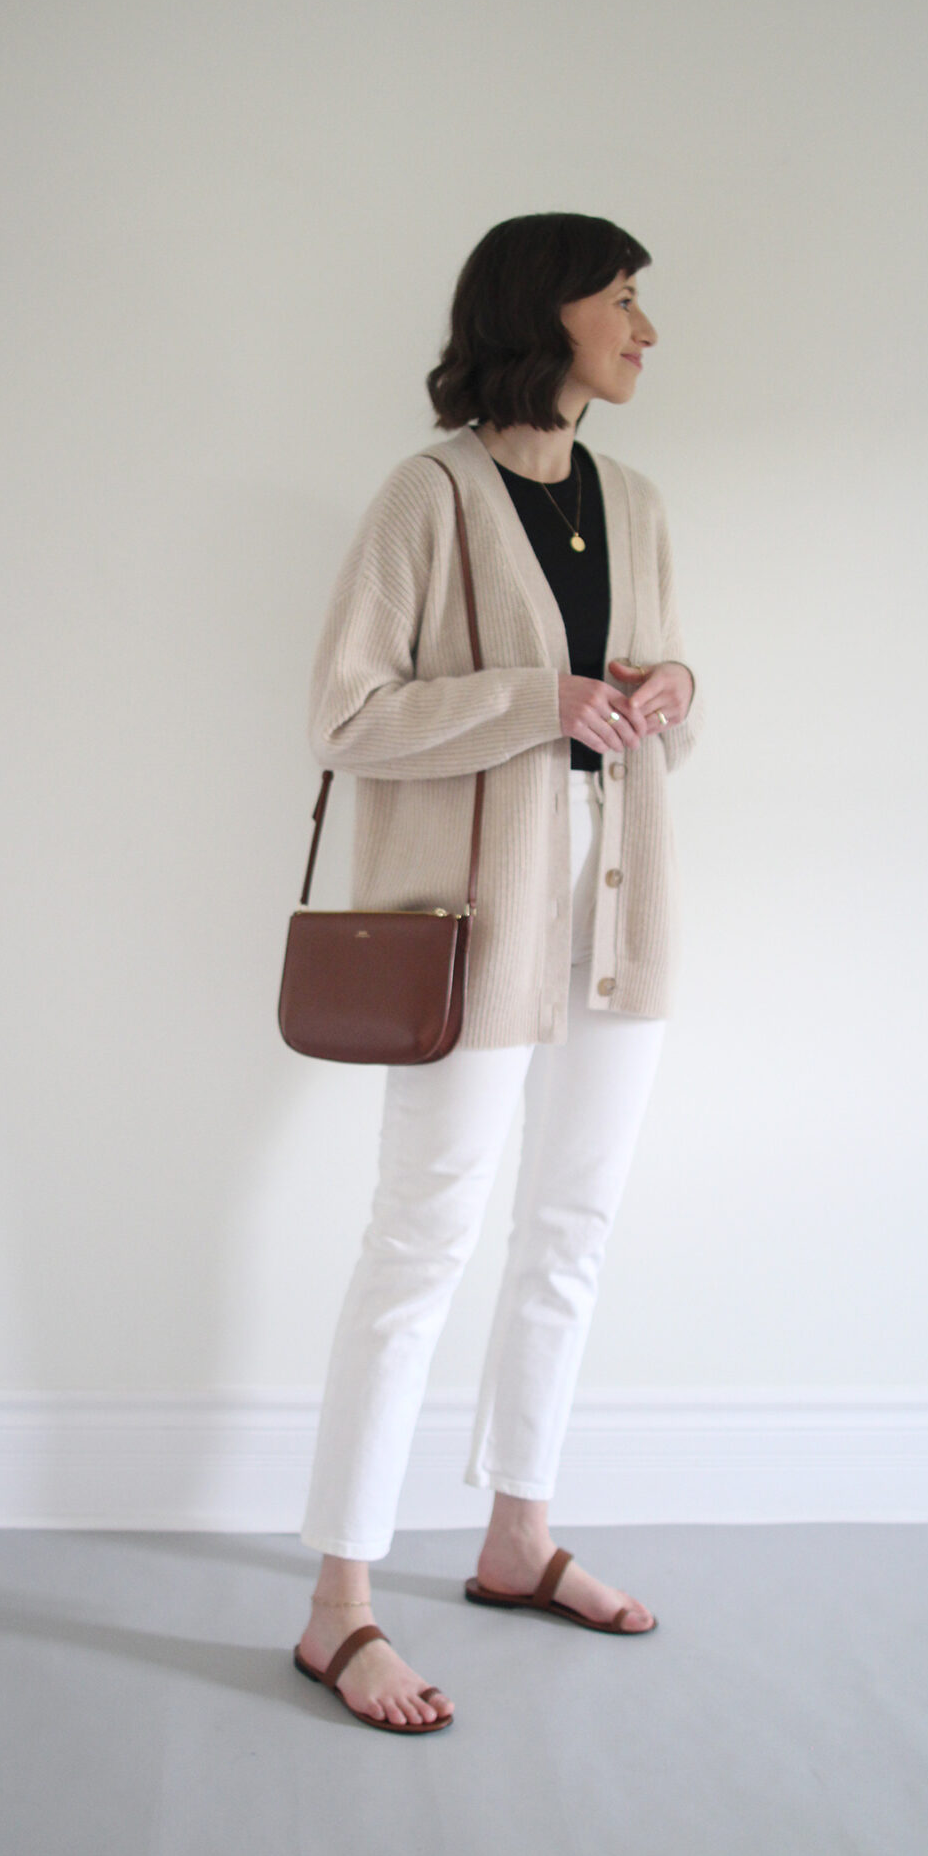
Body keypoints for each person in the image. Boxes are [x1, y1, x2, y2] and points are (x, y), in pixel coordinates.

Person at [290, 213, 705, 1734]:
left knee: (572, 1226)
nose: (645, 334)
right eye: (623, 303)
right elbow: (346, 715)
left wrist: (669, 692)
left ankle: (516, 1537)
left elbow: (654, 703)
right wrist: (543, 696)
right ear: (549, 314)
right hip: (474, 926)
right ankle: (338, 1606)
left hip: (614, 917)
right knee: (422, 1246)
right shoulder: (430, 495)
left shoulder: (635, 500)